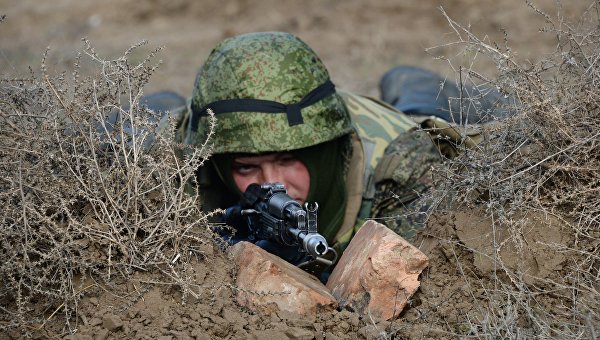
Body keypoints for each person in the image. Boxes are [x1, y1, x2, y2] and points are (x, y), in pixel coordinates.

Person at [156, 31, 505, 274]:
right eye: (247, 168)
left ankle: (410, 81)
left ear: (322, 151)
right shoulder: (167, 158)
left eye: (287, 160)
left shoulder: (400, 161)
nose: (272, 184)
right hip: (187, 124)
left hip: (377, 128)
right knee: (144, 114)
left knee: (419, 104)